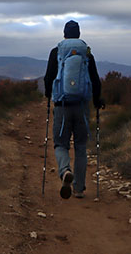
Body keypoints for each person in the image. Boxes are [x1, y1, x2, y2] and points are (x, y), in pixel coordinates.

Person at [43, 19, 103, 199]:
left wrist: (49, 96)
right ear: (78, 34)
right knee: (81, 147)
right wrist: (97, 100)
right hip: (82, 107)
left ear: (64, 34)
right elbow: (95, 80)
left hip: (62, 106)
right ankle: (78, 188)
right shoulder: (87, 54)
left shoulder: (57, 52)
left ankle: (64, 171)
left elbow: (48, 78)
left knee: (60, 144)